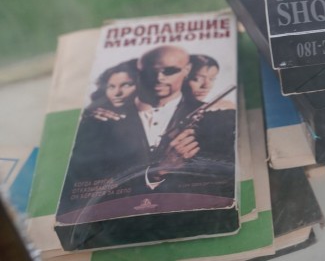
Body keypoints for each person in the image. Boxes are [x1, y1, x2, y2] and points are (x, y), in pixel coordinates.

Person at [58, 45, 236, 217]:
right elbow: (76, 198)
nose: (159, 78)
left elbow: (222, 185)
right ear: (139, 71)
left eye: (170, 71)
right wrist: (157, 172)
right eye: (151, 72)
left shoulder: (217, 116)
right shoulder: (99, 120)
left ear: (187, 69)